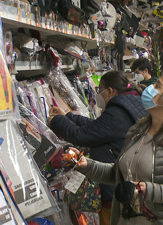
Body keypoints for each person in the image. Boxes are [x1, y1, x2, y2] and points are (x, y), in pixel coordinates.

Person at [68, 72, 163, 225]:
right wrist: (87, 165)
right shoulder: (137, 132)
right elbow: (119, 175)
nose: (149, 88)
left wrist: (149, 190)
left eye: (157, 86)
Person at [48, 71, 149, 225]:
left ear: (110, 91)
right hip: (128, 180)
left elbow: (81, 136)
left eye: (100, 89)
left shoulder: (117, 112)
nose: (98, 93)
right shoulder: (131, 104)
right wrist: (68, 116)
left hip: (113, 187)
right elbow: (96, 128)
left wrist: (56, 120)